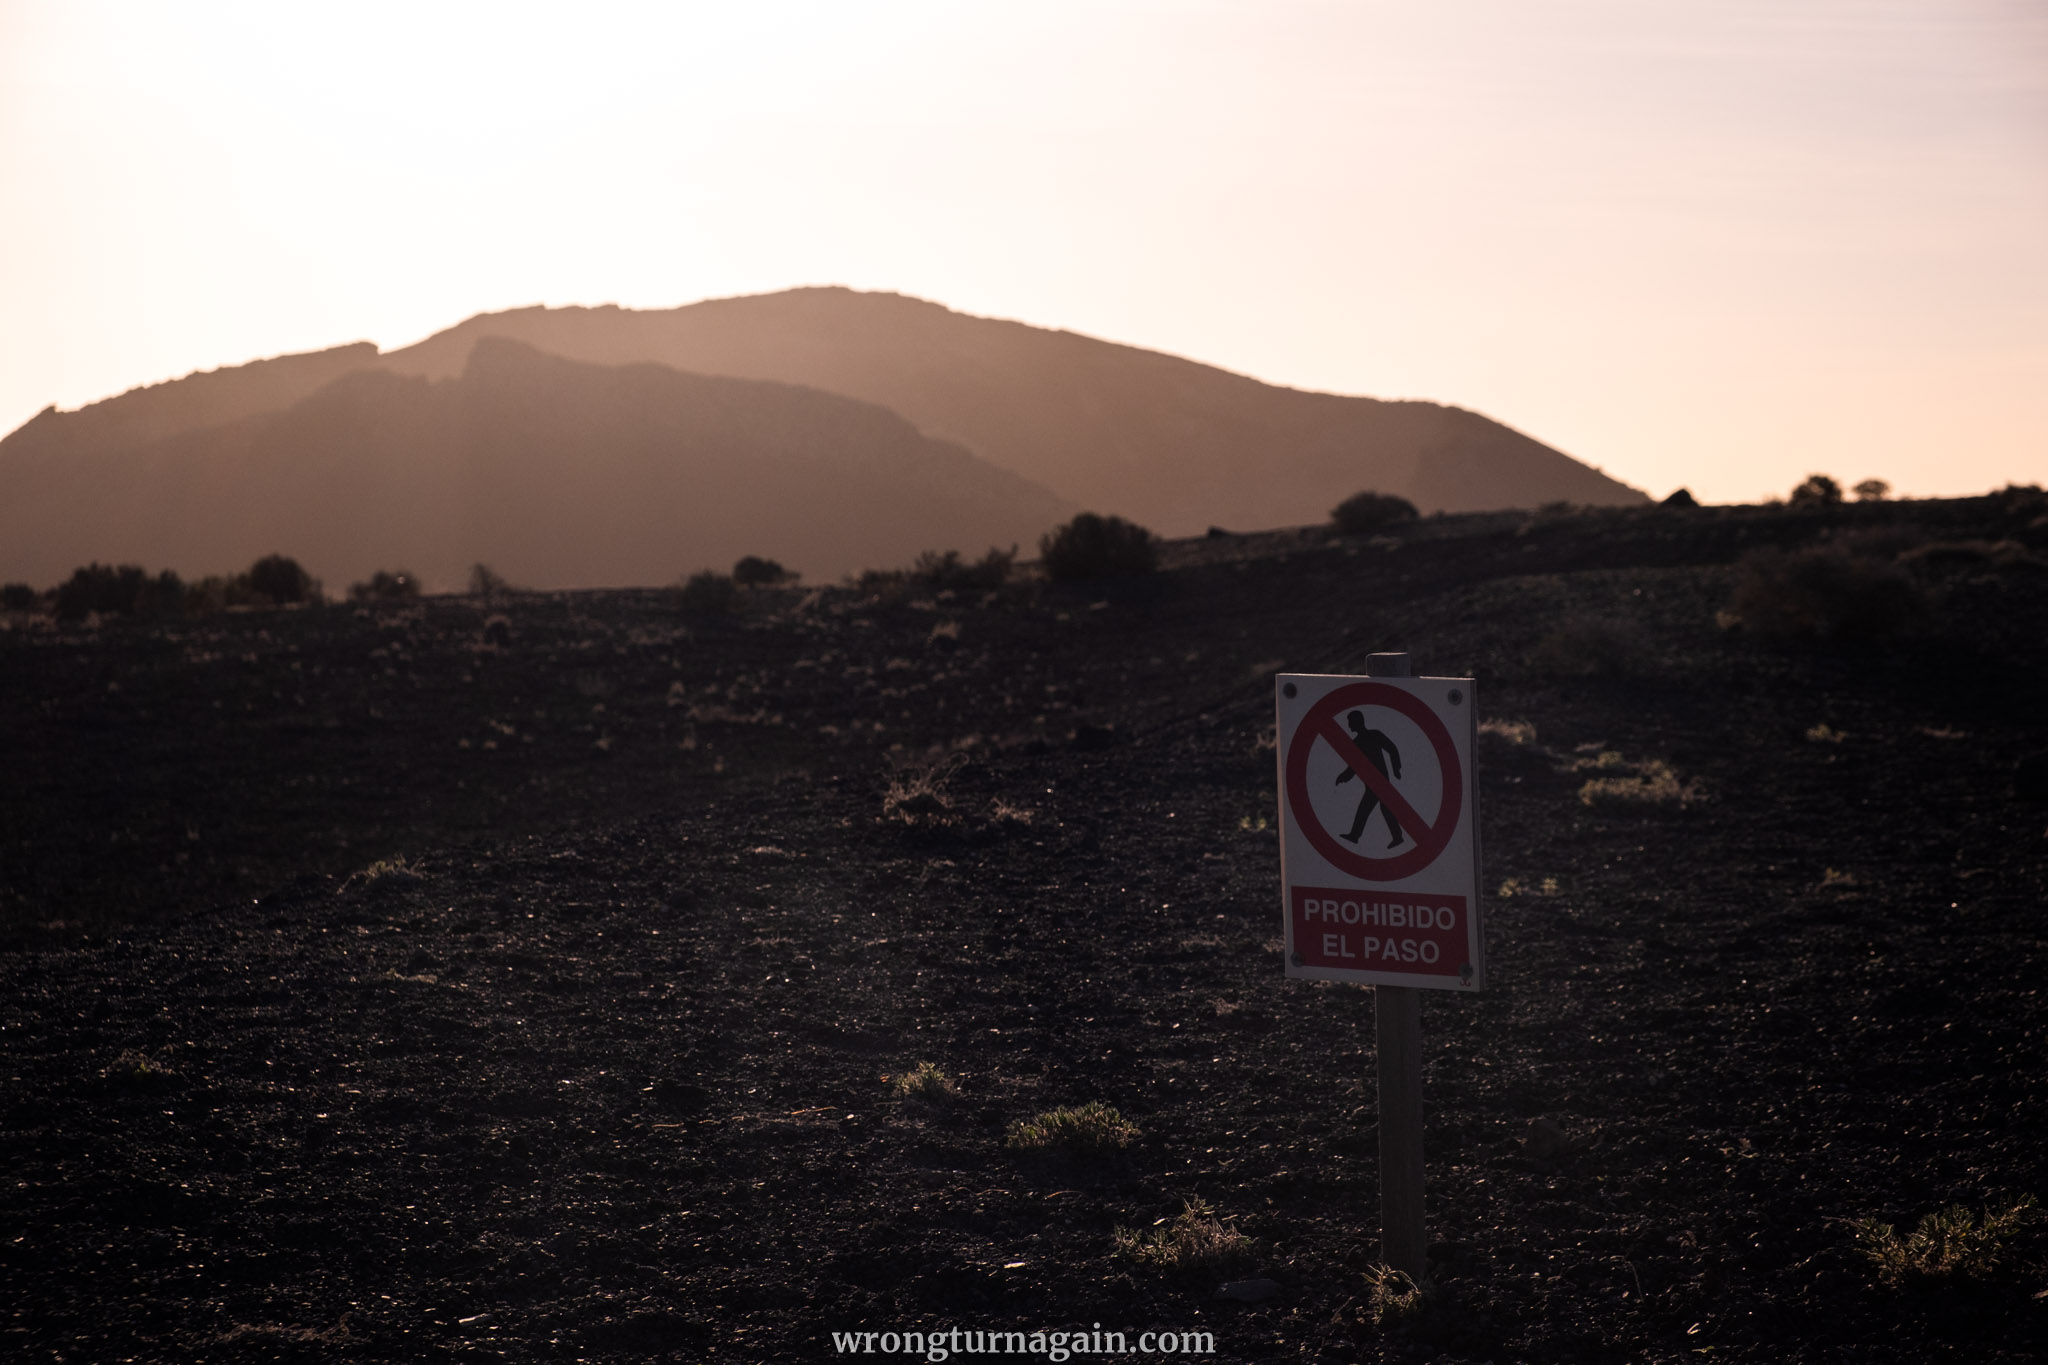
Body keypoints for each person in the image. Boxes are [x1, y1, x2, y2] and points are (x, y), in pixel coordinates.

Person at [1334, 710, 1404, 847]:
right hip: (1373, 784)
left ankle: (1356, 835)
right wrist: (1343, 777)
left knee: (1368, 808)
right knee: (1383, 808)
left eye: (1350, 722)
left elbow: (1392, 748)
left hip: (1380, 782)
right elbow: (1354, 766)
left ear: (1357, 722)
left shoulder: (1374, 735)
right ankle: (1397, 837)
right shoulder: (1356, 743)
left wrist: (1396, 768)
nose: (1348, 726)